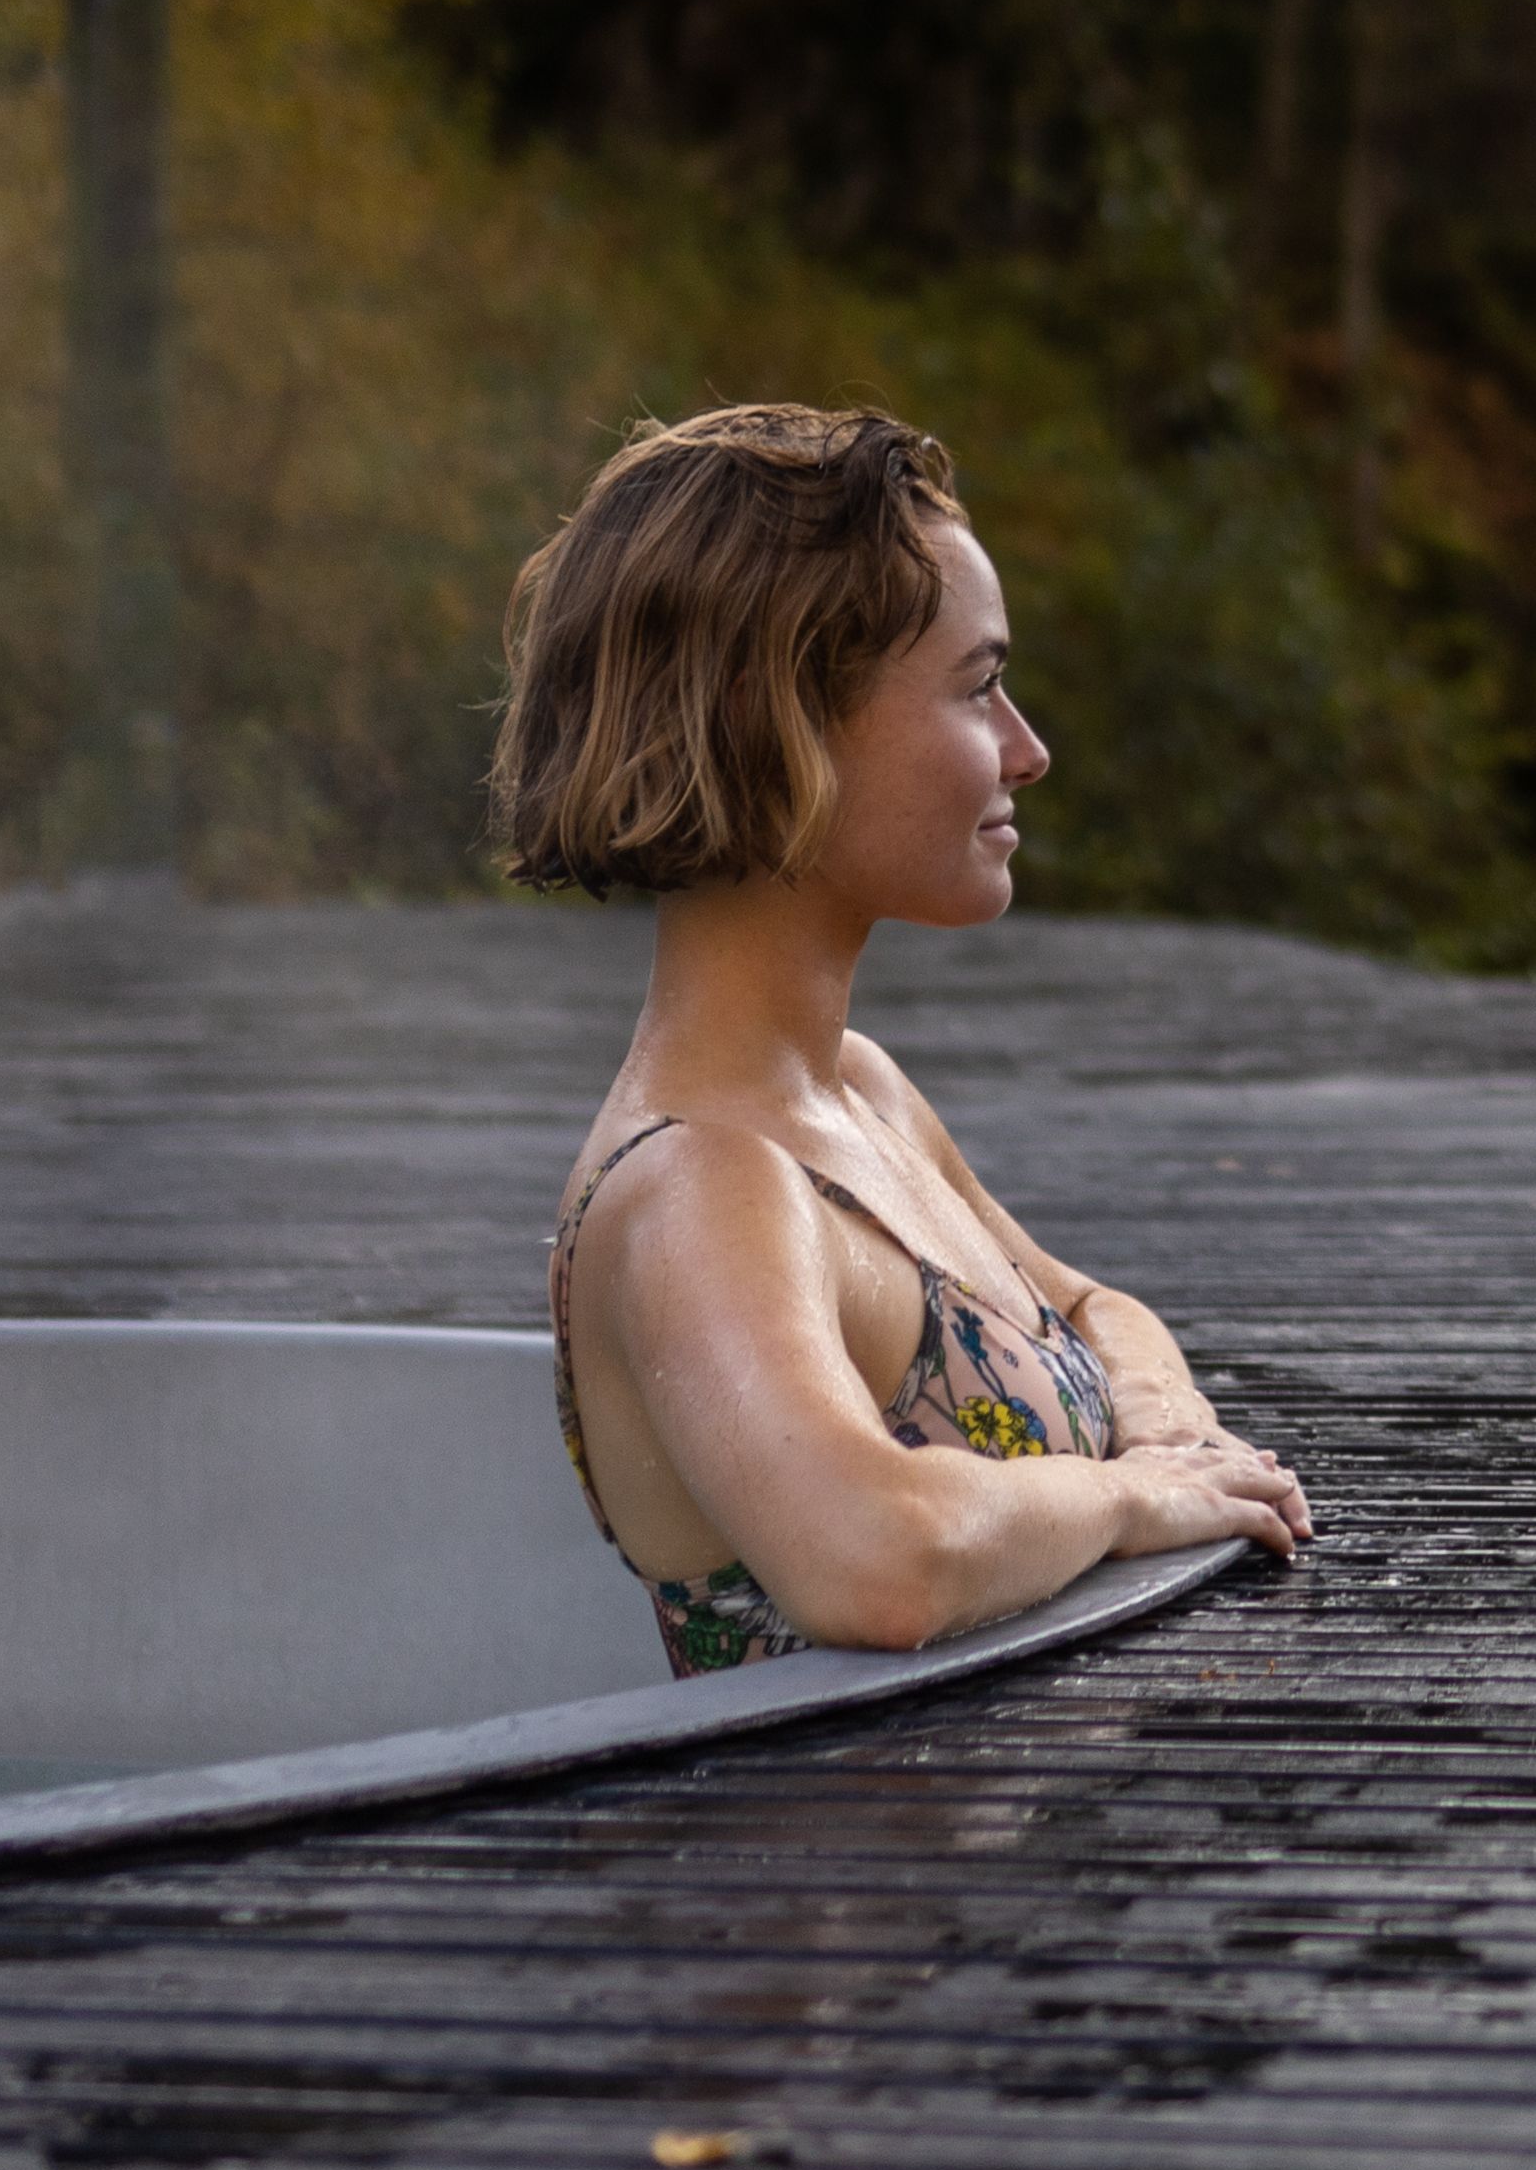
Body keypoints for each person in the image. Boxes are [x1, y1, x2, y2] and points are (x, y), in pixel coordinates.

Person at [510, 404, 1309, 1672]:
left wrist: (1163, 1430)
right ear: (782, 727)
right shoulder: (700, 1188)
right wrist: (1128, 1500)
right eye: (979, 687)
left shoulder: (858, 1095)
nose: (1029, 751)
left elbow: (1097, 1309)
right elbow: (873, 1562)